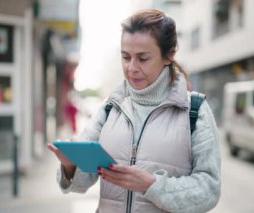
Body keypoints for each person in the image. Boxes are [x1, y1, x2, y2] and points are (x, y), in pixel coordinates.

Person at [47, 8, 221, 213]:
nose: (131, 67)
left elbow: (209, 189)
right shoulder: (109, 108)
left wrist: (152, 185)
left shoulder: (195, 111)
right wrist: (70, 166)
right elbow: (83, 182)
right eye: (126, 57)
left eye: (143, 58)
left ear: (169, 55)